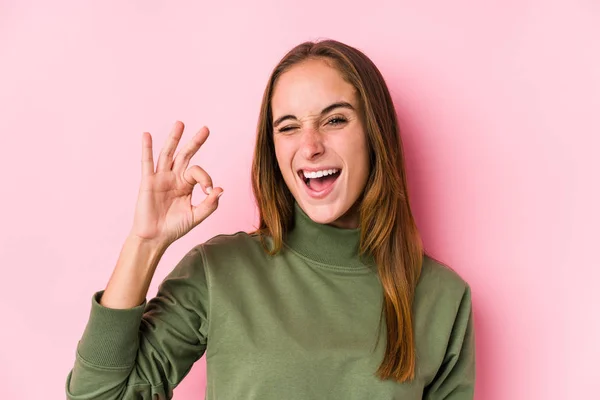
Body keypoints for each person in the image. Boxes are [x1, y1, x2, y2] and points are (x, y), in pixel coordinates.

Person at [65, 39, 475, 400]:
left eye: (335, 120)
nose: (310, 146)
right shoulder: (221, 270)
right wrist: (145, 242)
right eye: (288, 127)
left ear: (374, 133)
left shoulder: (443, 298)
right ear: (273, 149)